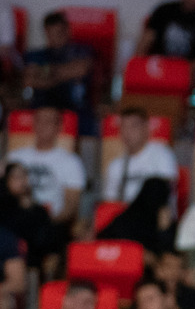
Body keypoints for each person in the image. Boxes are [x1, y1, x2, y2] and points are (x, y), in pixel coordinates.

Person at [6, 106, 86, 238]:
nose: (43, 126)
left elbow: (71, 205)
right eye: (39, 121)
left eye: (49, 122)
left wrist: (46, 221)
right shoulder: (15, 157)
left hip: (50, 224)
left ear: (58, 127)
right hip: (15, 221)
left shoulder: (71, 162)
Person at [22, 11, 95, 136]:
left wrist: (45, 73)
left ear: (67, 30)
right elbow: (29, 80)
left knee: (88, 121)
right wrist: (66, 73)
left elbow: (81, 69)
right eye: (52, 33)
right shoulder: (35, 55)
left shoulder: (82, 51)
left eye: (59, 33)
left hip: (74, 108)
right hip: (41, 108)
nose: (56, 37)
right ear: (46, 33)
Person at [101, 107, 178, 206]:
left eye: (133, 126)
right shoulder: (115, 166)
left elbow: (165, 193)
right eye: (124, 127)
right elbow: (110, 202)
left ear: (146, 128)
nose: (127, 132)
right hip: (124, 215)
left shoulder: (162, 155)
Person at [96, 177, 177, 256]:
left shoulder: (164, 223)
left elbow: (170, 256)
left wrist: (164, 232)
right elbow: (103, 247)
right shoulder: (124, 223)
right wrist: (138, 254)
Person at [0, 162, 58, 269]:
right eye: (16, 177)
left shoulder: (38, 210)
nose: (22, 181)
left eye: (24, 175)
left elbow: (48, 239)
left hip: (33, 261)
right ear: (6, 180)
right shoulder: (3, 208)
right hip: (6, 260)